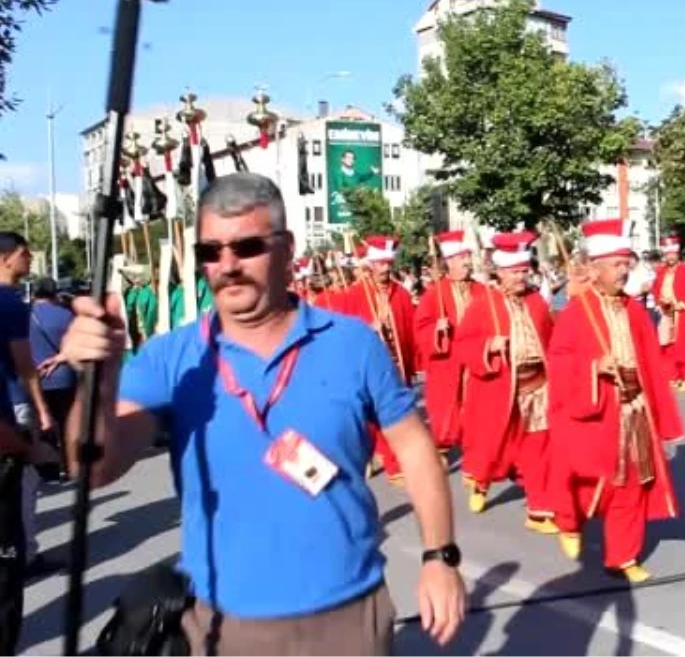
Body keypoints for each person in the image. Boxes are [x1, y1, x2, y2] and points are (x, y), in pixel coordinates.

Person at [60, 173, 465, 655]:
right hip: (222, 627)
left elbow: (415, 447)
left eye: (247, 246)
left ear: (287, 248)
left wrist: (440, 557)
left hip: (349, 619)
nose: (227, 265)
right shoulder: (172, 358)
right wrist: (97, 382)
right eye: (211, 251)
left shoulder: (352, 342)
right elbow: (94, 468)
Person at [547, 218, 684, 583]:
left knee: (634, 483)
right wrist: (594, 367)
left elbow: (653, 366)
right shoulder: (577, 311)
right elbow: (558, 364)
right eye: (617, 264)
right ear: (595, 268)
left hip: (633, 411)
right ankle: (568, 519)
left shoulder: (635, 310)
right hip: (594, 414)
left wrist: (663, 418)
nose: (625, 271)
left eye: (627, 264)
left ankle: (622, 556)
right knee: (593, 480)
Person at [457, 232, 555, 530]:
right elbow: (463, 345)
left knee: (540, 447)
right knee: (493, 446)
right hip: (499, 388)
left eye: (525, 271)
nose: (522, 277)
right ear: (500, 272)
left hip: (537, 388)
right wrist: (488, 346)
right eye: (516, 272)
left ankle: (539, 510)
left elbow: (550, 337)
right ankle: (481, 482)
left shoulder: (536, 300)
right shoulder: (483, 303)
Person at [0, 233, 57, 580]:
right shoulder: (10, 303)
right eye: (24, 253)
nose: (31, 257)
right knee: (23, 484)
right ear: (5, 258)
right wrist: (43, 410)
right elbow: (25, 366)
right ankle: (23, 555)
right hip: (13, 404)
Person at [341, 234, 417, 486]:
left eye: (388, 263)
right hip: (367, 366)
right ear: (370, 265)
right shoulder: (354, 294)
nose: (385, 268)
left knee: (392, 414)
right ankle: (368, 455)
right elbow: (344, 331)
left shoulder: (401, 294)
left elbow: (410, 330)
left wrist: (413, 361)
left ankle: (394, 463)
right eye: (380, 264)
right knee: (367, 417)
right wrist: (368, 328)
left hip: (397, 364)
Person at [414, 230, 480, 462]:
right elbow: (420, 328)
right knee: (446, 409)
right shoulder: (434, 295)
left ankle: (475, 443)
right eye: (463, 259)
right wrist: (436, 329)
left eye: (468, 258)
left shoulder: (481, 291)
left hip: (476, 358)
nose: (468, 263)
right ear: (450, 261)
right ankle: (441, 445)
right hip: (448, 358)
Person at [28, 278, 75, 465]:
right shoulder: (66, 315)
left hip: (34, 378)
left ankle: (50, 465)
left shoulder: (24, 315)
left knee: (43, 421)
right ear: (55, 293)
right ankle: (69, 463)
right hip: (65, 376)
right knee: (66, 423)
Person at [651, 234, 685, 391]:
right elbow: (656, 289)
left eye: (672, 254)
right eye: (666, 254)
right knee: (667, 346)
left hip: (683, 313)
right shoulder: (661, 271)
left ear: (677, 254)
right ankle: (672, 375)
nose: (669, 257)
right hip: (667, 313)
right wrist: (660, 302)